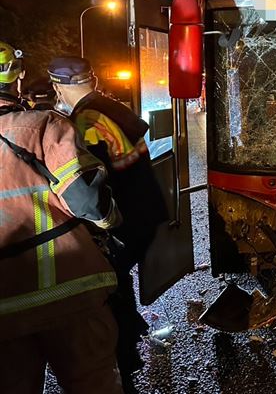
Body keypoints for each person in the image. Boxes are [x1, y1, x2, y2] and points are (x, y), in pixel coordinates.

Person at [0, 41, 123, 394]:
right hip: (70, 291)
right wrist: (111, 221)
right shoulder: (43, 126)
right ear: (18, 79)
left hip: (4, 309)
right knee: (94, 384)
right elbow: (88, 201)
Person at [48, 56, 168, 392]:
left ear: (58, 86)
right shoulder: (112, 108)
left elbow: (90, 186)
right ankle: (130, 332)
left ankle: (124, 358)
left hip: (122, 221)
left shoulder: (85, 121)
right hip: (146, 212)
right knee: (117, 280)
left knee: (108, 286)